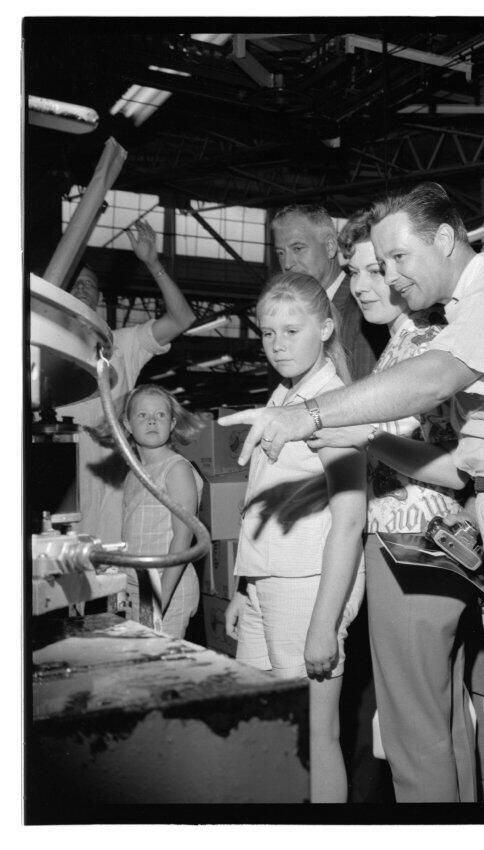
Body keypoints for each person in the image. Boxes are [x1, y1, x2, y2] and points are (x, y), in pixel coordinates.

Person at [221, 182, 484, 803]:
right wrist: (365, 432)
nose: (388, 278)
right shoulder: (461, 319)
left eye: (396, 258)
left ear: (445, 239)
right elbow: (458, 465)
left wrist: (312, 413)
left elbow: (435, 379)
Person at [303, 208, 478, 802]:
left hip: (411, 547)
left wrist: (365, 434)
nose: (361, 285)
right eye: (354, 271)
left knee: (411, 735)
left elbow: (455, 464)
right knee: (442, 725)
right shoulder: (403, 343)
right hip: (431, 551)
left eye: (377, 269)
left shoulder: (423, 345)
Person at [223, 272, 366, 804]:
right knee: (266, 726)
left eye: (291, 330)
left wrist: (325, 625)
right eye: (268, 333)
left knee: (314, 736)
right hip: (266, 581)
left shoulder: (331, 403)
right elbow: (265, 500)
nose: (278, 344)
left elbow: (349, 521)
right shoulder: (285, 395)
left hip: (308, 587)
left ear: (326, 328)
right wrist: (244, 586)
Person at [56, 221, 196, 544]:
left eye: (89, 284)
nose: (81, 288)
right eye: (74, 283)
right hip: (61, 486)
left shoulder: (122, 344)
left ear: (99, 297)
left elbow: (182, 319)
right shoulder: (44, 349)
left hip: (114, 487)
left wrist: (153, 263)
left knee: (115, 565)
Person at [89, 384, 204, 638]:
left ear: (172, 424)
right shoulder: (135, 473)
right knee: (137, 655)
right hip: (138, 583)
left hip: (165, 584)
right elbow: (133, 534)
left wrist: (158, 603)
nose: (152, 421)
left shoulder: (176, 469)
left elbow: (183, 539)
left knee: (158, 658)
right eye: (142, 415)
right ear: (127, 425)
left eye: (160, 415)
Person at [271, 204, 388, 380]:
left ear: (330, 246)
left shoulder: (364, 311)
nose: (287, 263)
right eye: (280, 253)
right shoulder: (293, 316)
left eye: (298, 248)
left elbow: (369, 391)